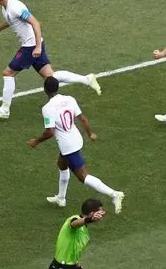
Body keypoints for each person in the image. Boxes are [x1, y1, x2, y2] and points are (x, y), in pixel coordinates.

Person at [0, 0, 100, 120]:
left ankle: (4, 110)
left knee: (8, 73)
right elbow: (11, 20)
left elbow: (35, 23)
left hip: (31, 46)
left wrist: (38, 46)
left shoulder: (16, 7)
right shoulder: (6, 6)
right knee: (50, 76)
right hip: (32, 45)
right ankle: (87, 79)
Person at [28, 75, 124, 212]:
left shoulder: (47, 108)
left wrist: (35, 141)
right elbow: (83, 119)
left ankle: (114, 194)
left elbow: (50, 132)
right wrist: (90, 133)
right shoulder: (69, 99)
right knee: (62, 164)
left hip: (68, 146)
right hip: (76, 138)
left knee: (83, 176)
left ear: (45, 90)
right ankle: (61, 198)